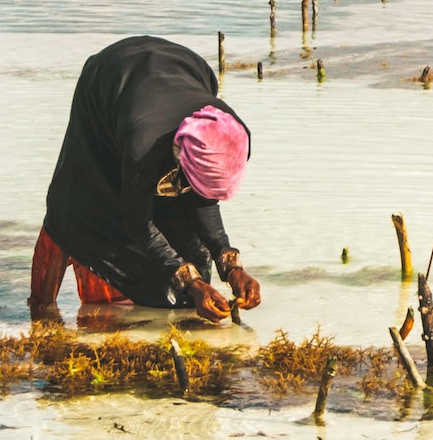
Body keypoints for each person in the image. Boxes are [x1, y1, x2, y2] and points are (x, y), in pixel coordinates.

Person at [30, 36, 262, 321]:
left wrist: (232, 267)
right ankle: (43, 310)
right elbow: (138, 225)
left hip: (185, 69)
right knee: (82, 208)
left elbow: (203, 200)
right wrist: (190, 282)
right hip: (109, 81)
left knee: (190, 267)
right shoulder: (143, 148)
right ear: (180, 158)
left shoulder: (226, 130)